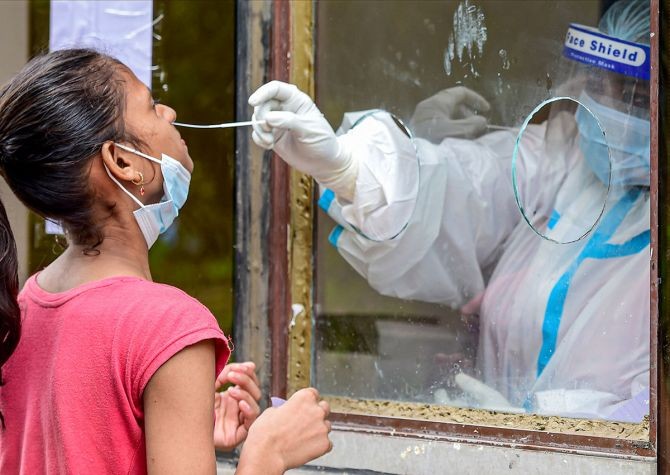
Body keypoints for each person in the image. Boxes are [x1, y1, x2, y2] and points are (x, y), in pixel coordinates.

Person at [248, 0, 651, 421]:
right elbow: (466, 187)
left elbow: (650, 419)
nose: (609, 109)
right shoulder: (564, 160)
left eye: (636, 97)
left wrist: (545, 424)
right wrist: (348, 168)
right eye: (600, 86)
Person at [0, 48, 332, 474]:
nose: (170, 112)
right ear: (122, 162)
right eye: (152, 105)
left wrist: (177, 428)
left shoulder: (26, 304)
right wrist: (268, 454)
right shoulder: (168, 325)